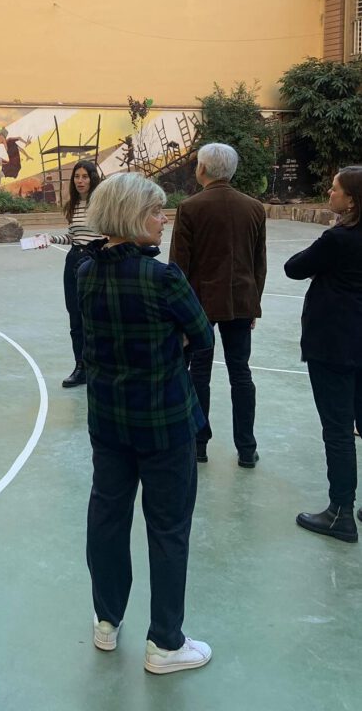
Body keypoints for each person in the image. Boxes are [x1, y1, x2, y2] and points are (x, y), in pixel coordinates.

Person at [78, 173, 213, 674]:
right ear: (134, 216)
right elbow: (202, 336)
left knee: (107, 518)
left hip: (108, 419)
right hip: (164, 422)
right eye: (157, 210)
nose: (164, 218)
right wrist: (170, 341)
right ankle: (165, 642)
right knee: (169, 527)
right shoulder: (163, 278)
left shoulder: (84, 272)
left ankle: (106, 620)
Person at [169, 142, 266, 467]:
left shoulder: (190, 207)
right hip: (240, 301)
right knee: (241, 373)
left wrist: (179, 313)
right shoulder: (254, 207)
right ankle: (246, 448)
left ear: (202, 169)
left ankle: (199, 443)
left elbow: (178, 266)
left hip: (200, 304)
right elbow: (259, 262)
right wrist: (254, 303)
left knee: (199, 372)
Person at [285, 166, 362, 543]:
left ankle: (340, 513)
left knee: (337, 428)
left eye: (335, 190)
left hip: (334, 343)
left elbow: (294, 267)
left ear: (352, 200)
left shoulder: (338, 239)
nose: (329, 193)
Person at [49, 160, 102, 388]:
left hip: (94, 261)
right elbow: (73, 237)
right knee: (75, 316)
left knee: (95, 316)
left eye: (84, 176)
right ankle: (80, 367)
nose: (80, 181)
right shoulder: (73, 205)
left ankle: (99, 366)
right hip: (73, 260)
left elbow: (107, 234)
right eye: (77, 177)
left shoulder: (101, 204)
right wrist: (51, 239)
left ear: (92, 178)